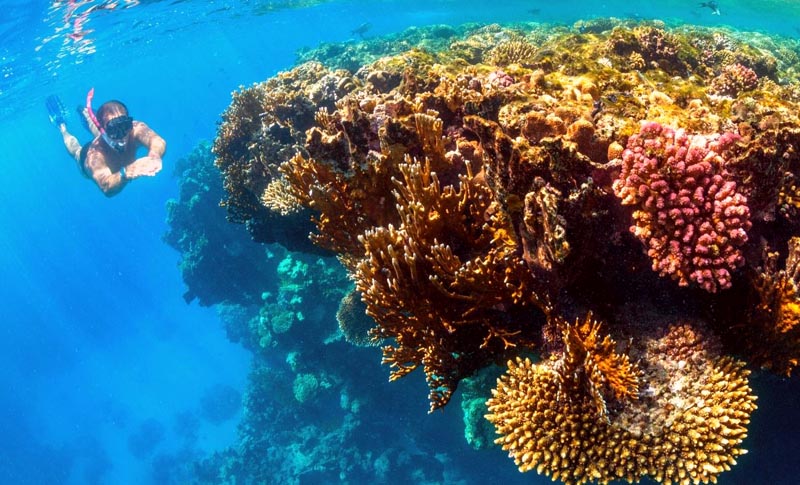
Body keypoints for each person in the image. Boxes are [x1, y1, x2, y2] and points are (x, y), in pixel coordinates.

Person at [46, 89, 166, 197]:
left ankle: (86, 114)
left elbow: (158, 141)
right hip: (86, 155)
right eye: (113, 130)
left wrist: (154, 155)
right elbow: (106, 187)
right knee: (76, 151)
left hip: (103, 137)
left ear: (130, 123)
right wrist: (127, 172)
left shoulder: (136, 128)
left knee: (104, 133)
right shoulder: (95, 157)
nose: (122, 135)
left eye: (124, 126)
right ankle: (62, 127)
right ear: (105, 131)